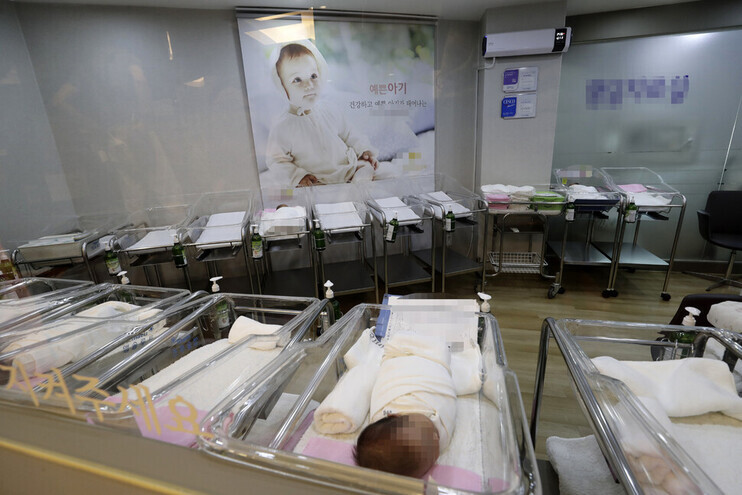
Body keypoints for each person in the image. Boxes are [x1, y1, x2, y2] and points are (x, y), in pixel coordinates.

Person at [265, 41, 378, 187]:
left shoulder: (330, 109)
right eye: (297, 80)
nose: (309, 85)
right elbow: (276, 160)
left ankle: (359, 190)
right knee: (314, 194)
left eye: (313, 76)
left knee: (367, 168)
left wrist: (363, 150)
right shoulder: (283, 126)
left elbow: (350, 134)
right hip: (316, 179)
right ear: (282, 87)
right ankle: (350, 195)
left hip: (347, 169)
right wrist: (298, 176)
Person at [352, 332, 457, 478]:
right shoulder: (440, 428)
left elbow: (386, 386)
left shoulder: (387, 409)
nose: (436, 437)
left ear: (393, 415)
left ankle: (406, 343)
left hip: (402, 370)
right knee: (440, 350)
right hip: (431, 368)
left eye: (429, 432)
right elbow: (447, 401)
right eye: (433, 456)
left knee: (397, 344)